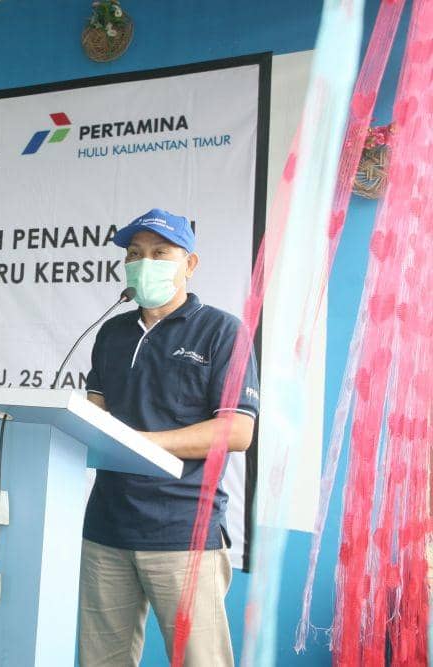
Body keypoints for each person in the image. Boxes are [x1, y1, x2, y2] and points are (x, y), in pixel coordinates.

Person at [78, 208, 260, 666]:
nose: (145, 262)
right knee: (102, 659)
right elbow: (96, 414)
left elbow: (237, 430)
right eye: (135, 254)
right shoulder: (111, 332)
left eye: (161, 252)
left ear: (190, 264)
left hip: (183, 531)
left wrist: (141, 441)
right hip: (106, 528)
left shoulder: (222, 331)